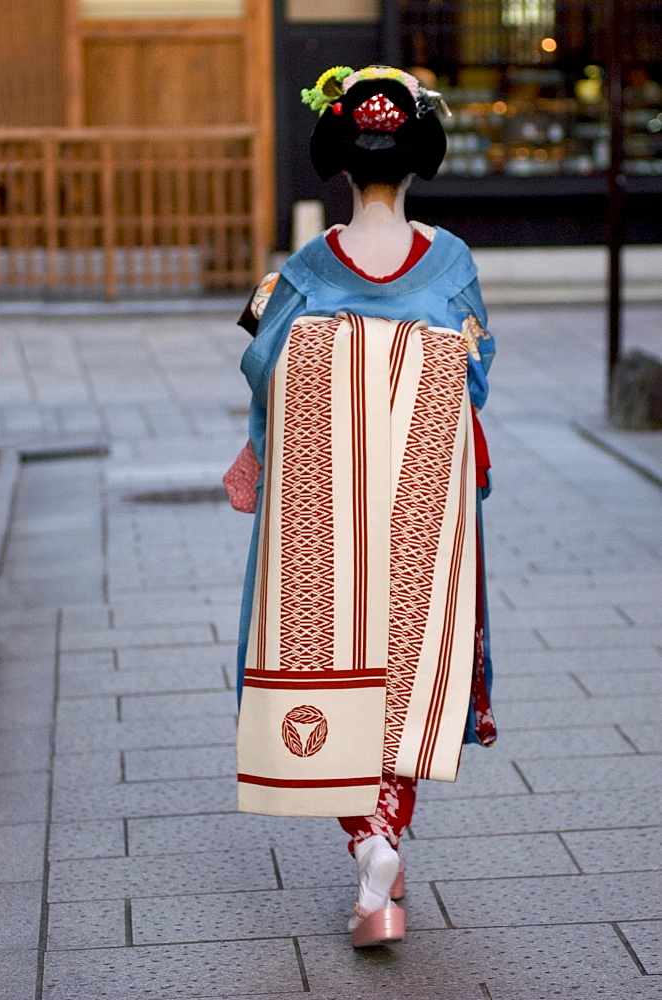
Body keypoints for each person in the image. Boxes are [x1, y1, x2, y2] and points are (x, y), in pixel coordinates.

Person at [224, 65, 496, 949]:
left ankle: (371, 856)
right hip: (418, 499)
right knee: (408, 654)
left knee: (330, 649)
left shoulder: (304, 270)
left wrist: (261, 447)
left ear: (338, 162)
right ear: (420, 158)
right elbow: (476, 376)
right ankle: (388, 843)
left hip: (320, 510)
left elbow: (265, 369)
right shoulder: (449, 260)